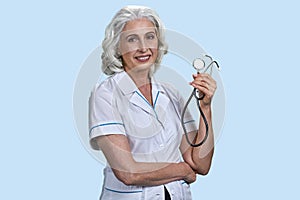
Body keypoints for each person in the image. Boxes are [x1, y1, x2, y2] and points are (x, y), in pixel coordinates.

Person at [89, 5, 217, 200]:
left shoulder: (171, 94)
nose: (143, 47)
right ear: (117, 47)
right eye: (132, 39)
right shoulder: (106, 94)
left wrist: (205, 108)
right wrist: (182, 169)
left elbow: (200, 164)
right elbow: (127, 172)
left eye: (150, 37)